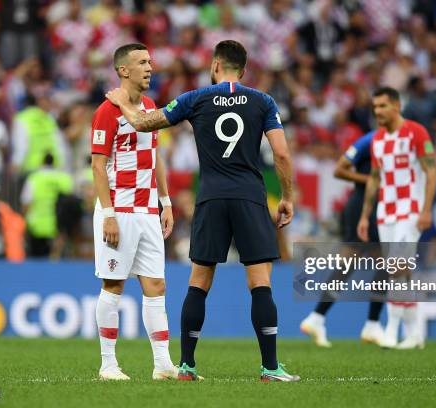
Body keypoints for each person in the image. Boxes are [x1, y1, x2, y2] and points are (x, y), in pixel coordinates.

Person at [105, 40, 299, 382]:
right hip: (250, 197)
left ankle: (187, 366)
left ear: (215, 65)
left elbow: (146, 123)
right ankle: (270, 367)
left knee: (199, 281)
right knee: (260, 282)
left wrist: (124, 104)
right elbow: (281, 154)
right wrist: (286, 196)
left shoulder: (196, 98)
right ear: (244, 68)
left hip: (210, 197)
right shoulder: (263, 101)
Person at [91, 43, 177, 381]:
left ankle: (163, 365)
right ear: (123, 70)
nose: (150, 66)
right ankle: (108, 364)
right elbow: (98, 167)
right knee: (113, 284)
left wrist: (165, 202)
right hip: (120, 210)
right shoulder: (105, 112)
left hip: (147, 210)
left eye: (150, 61)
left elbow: (156, 156)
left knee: (156, 285)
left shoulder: (150, 107)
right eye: (142, 62)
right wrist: (108, 213)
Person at [357, 87, 436, 350]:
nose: (378, 111)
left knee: (397, 268)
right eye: (375, 107)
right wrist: (365, 215)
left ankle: (391, 331)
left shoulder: (416, 132)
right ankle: (415, 334)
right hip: (386, 213)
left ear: (396, 105)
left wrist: (426, 209)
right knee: (401, 272)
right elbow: (375, 177)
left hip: (411, 210)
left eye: (382, 106)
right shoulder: (377, 139)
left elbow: (432, 171)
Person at [300, 130, 386, 347]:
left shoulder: (398, 141)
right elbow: (340, 169)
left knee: (358, 264)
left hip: (376, 205)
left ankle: (318, 317)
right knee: (380, 262)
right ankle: (372, 324)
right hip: (363, 204)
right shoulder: (370, 140)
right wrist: (369, 180)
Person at [21, 153, 73, 257]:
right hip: (57, 227)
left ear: (43, 162)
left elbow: (26, 202)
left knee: (37, 261)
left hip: (36, 225)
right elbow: (71, 203)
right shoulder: (64, 178)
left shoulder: (34, 178)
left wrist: (25, 222)